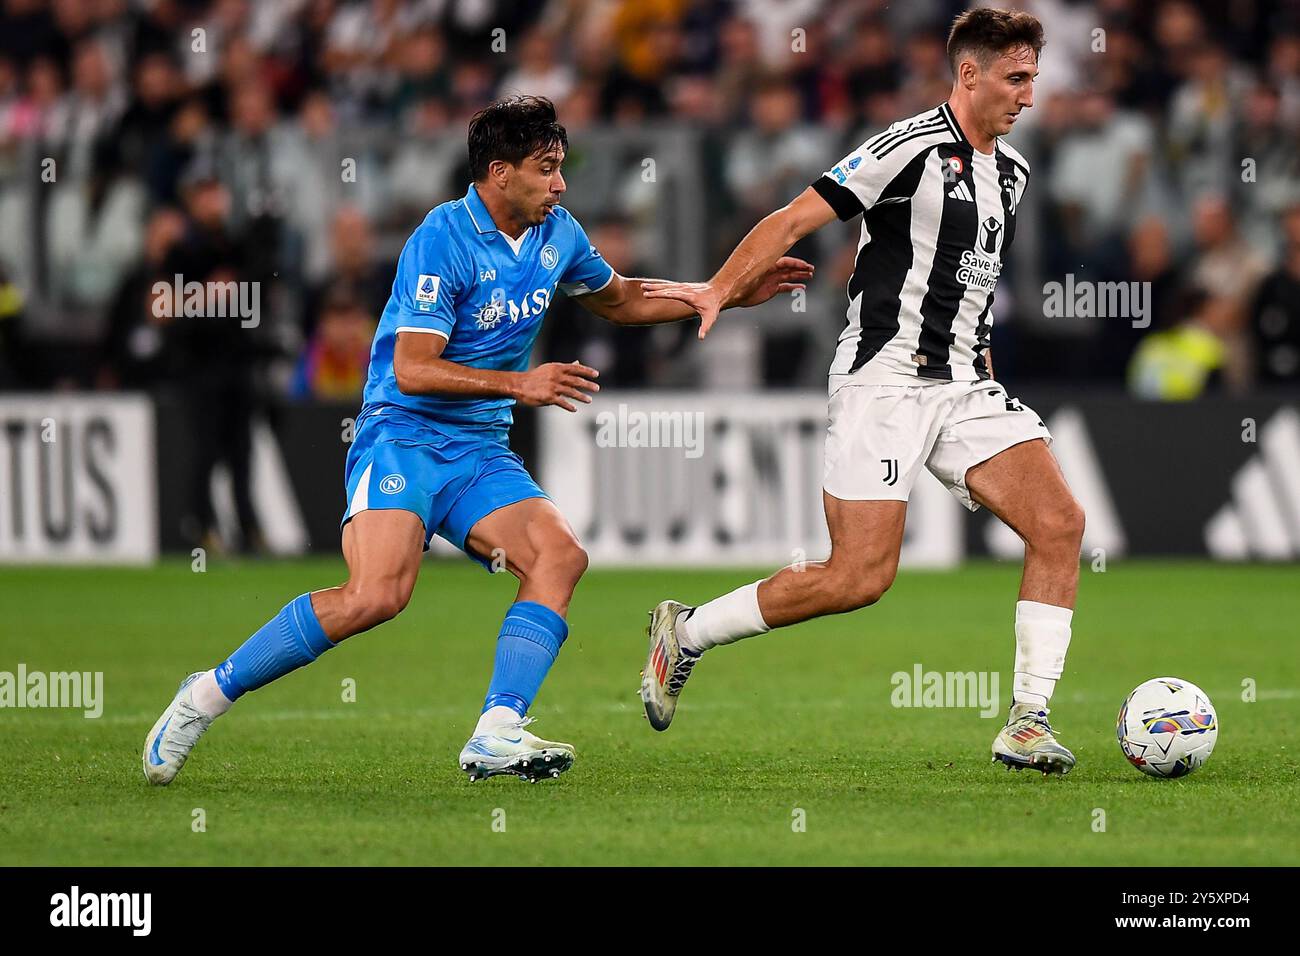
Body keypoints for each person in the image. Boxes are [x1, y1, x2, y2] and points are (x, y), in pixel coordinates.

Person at [142, 95, 811, 786]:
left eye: (560, 168)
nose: (560, 183)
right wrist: (520, 386)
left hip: (479, 447)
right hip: (402, 435)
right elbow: (412, 368)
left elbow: (623, 299)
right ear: (499, 173)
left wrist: (718, 294)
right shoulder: (441, 239)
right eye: (546, 168)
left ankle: (497, 730)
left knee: (558, 556)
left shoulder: (558, 234)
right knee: (377, 595)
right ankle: (205, 695)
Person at [638, 8, 1087, 775]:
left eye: (1034, 79)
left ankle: (1027, 720)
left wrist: (976, 352)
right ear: (969, 74)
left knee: (1061, 525)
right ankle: (687, 632)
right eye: (1016, 78)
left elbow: (969, 282)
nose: (1028, 96)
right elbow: (791, 219)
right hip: (881, 383)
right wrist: (718, 288)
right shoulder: (903, 148)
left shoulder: (1013, 175)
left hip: (963, 387)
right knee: (858, 579)